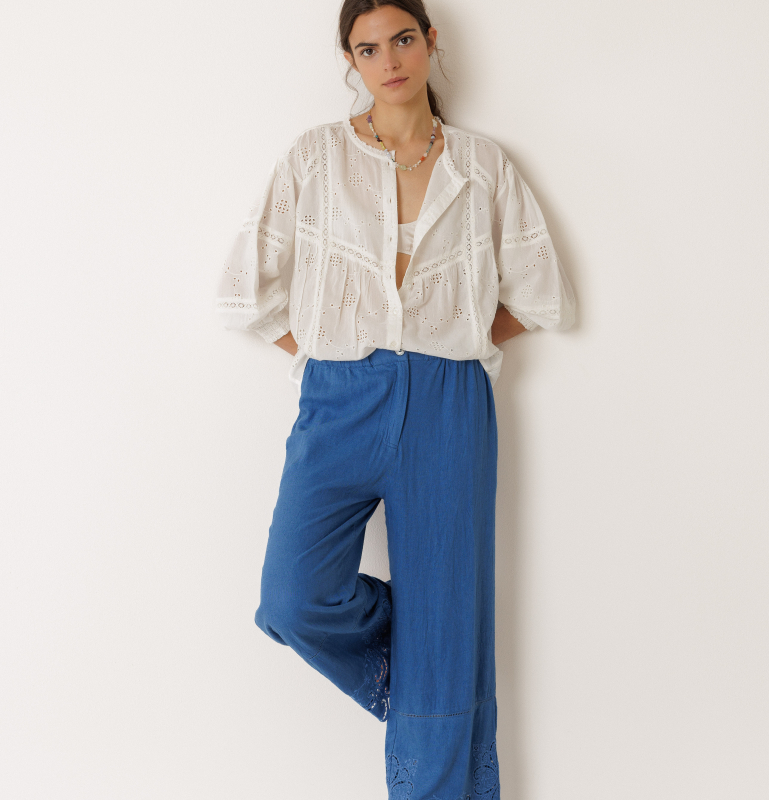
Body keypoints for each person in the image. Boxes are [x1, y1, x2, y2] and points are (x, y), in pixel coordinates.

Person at [214, 1, 576, 797]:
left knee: (448, 626)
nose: (390, 62)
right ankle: (427, 660)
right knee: (293, 598)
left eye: (403, 40)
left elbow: (540, 295)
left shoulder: (482, 165)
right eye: (369, 49)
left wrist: (458, 338)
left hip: (449, 400)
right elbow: (245, 291)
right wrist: (320, 352)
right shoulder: (315, 158)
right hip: (339, 393)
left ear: (430, 42)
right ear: (351, 60)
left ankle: (438, 683)